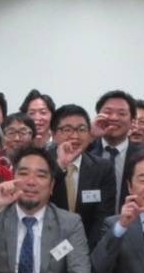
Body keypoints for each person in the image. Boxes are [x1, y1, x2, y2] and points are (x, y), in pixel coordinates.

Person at [47, 103, 116, 247]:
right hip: (46, 246)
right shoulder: (41, 164)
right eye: (67, 129)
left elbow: (102, 219)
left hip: (88, 247)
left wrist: (85, 251)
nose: (75, 136)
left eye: (81, 129)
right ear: (53, 134)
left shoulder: (103, 169)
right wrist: (60, 166)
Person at [87, 90, 143, 207]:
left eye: (122, 114)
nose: (114, 118)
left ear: (132, 122)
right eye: (107, 112)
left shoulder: (143, 157)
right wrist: (90, 136)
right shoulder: (85, 151)